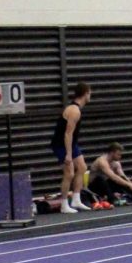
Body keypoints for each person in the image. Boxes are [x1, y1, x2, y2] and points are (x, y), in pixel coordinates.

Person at [51, 82, 92, 213]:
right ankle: (64, 205)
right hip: (61, 144)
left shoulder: (77, 109)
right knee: (69, 173)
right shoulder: (74, 111)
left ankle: (76, 199)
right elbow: (67, 134)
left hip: (70, 144)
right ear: (85, 93)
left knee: (82, 167)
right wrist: (68, 154)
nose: (90, 96)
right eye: (90, 93)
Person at [87, 142, 132, 206]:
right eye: (118, 154)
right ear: (111, 153)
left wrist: (131, 185)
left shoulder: (116, 162)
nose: (120, 156)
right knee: (101, 179)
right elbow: (113, 177)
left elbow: (122, 175)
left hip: (106, 185)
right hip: (94, 187)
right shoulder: (102, 161)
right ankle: (112, 199)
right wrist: (129, 184)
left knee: (122, 179)